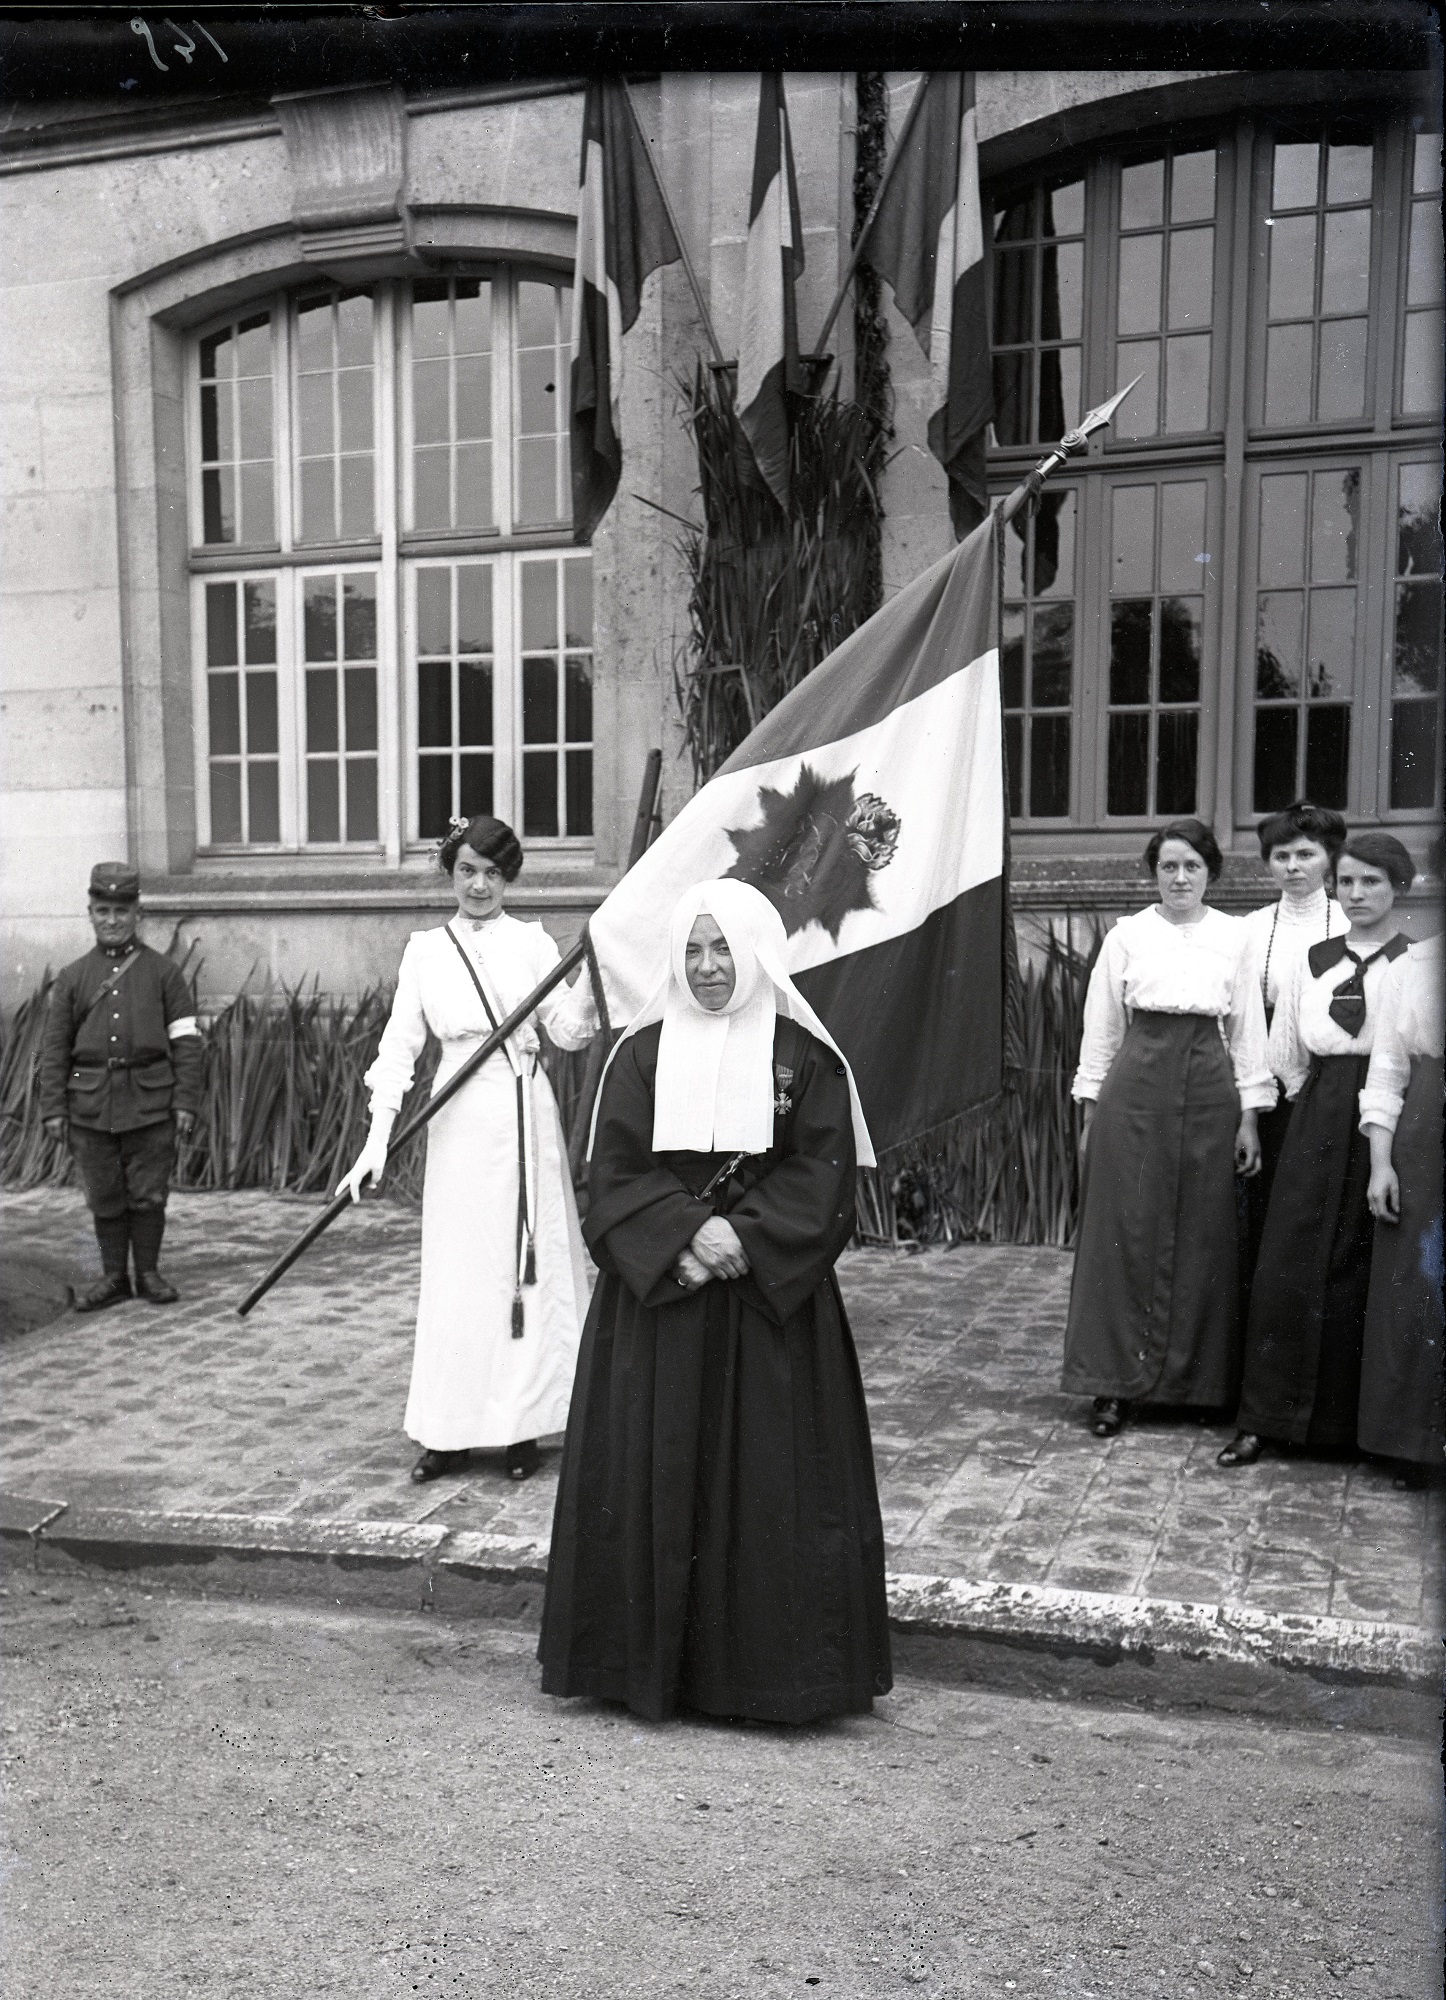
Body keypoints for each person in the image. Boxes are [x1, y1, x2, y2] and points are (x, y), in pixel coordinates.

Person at [538, 879, 892, 1725]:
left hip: (771, 1312)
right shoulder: (640, 1053)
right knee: (651, 1471)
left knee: (769, 1484)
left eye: (723, 947)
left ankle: (766, 1678)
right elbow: (613, 1172)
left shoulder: (806, 1058)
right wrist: (690, 1240)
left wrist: (744, 1240)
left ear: (758, 949)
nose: (706, 966)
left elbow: (824, 1174)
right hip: (661, 1303)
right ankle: (643, 1668)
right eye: (692, 950)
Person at [338, 815, 597, 1484]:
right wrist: (376, 1140)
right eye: (467, 871)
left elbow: (568, 1035)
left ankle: (521, 1430)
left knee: (522, 1271)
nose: (479, 886)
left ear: (509, 877)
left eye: (492, 873)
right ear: (450, 874)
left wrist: (593, 978)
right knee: (460, 1275)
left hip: (523, 1117)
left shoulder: (535, 944)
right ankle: (448, 1433)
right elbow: (399, 1050)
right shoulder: (426, 951)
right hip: (457, 1120)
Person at [1062, 819, 1271, 1438]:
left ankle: (1197, 1386)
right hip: (1138, 1083)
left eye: (1192, 867)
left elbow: (1248, 1031)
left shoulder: (1234, 938)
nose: (1180, 878)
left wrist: (1251, 1117)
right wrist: (1092, 1113)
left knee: (1206, 1230)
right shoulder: (1128, 936)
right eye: (1168, 867)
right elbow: (1102, 1027)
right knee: (1123, 1230)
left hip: (1210, 1085)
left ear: (1211, 873)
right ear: (1153, 873)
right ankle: (1112, 1386)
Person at [1221, 831, 1415, 1468]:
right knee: (1288, 1261)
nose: (1357, 894)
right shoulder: (1312, 958)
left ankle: (1361, 1431)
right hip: (1318, 1113)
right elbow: (1286, 1054)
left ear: (1401, 889)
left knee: (1366, 1268)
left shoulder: (1416, 963)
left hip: (1390, 1118)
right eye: (1349, 882)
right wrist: (1315, 1109)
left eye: (1373, 883)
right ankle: (1267, 1420)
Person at [39, 862, 204, 1310]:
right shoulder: (74, 978)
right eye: (102, 910)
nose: (112, 920)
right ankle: (114, 1278)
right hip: (90, 1105)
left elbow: (187, 1043)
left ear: (138, 915)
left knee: (149, 1192)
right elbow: (54, 1048)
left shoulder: (164, 974)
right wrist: (54, 1107)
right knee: (104, 1192)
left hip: (151, 1102)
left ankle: (148, 1274)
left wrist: (186, 1100)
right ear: (90, 914)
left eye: (121, 911)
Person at [1237, 801, 1347, 1312]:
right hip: (1263, 1083)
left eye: (1307, 854)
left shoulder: (1351, 922)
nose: (1294, 867)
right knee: (1255, 1214)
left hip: (1327, 1081)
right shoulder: (1250, 930)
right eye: (1281, 855)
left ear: (1330, 859)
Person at [1357, 924, 1443, 1484]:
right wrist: (1382, 1163)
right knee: (1419, 1284)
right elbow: (1387, 1071)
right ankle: (1417, 1444)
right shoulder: (1412, 968)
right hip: (1425, 1134)